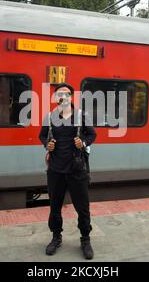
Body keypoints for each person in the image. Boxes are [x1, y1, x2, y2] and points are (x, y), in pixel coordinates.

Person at [39, 83, 97, 260]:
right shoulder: (49, 117)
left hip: (76, 169)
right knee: (54, 206)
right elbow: (41, 135)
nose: (63, 97)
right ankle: (56, 237)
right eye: (59, 94)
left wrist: (84, 143)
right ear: (56, 98)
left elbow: (92, 134)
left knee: (82, 208)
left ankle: (85, 239)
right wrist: (46, 144)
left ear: (71, 97)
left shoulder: (81, 116)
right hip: (55, 170)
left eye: (66, 94)